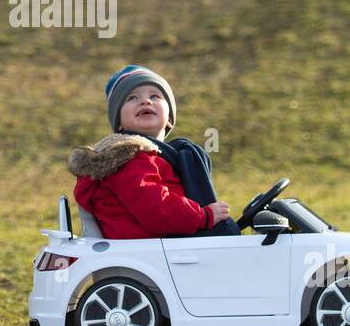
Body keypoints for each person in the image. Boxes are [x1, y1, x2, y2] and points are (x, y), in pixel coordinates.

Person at [67, 65, 241, 239]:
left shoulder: (164, 157)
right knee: (226, 231)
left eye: (155, 96)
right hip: (150, 248)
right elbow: (155, 207)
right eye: (132, 98)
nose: (145, 101)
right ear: (118, 122)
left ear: (170, 119)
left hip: (159, 244)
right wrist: (204, 216)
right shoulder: (128, 156)